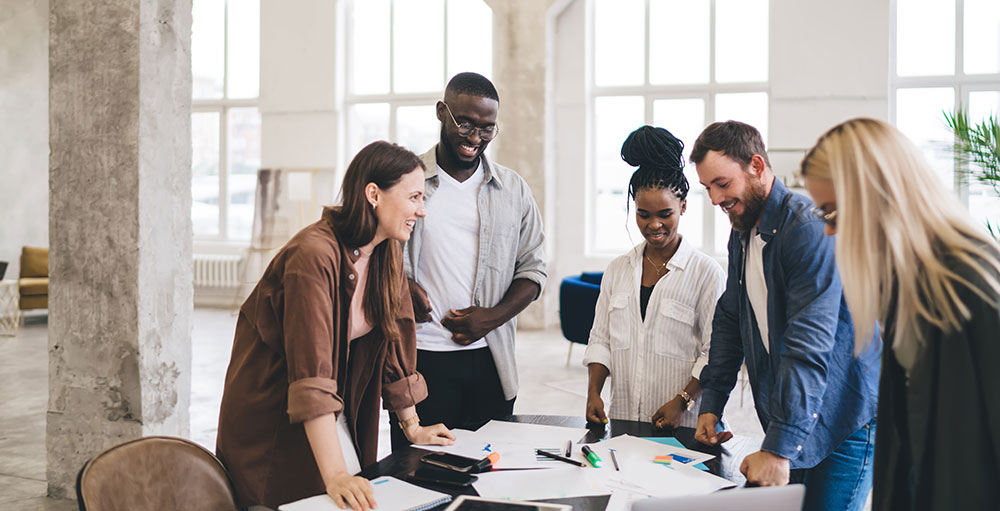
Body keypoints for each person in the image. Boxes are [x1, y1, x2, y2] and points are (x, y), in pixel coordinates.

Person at [216, 141, 455, 511]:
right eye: (414, 197)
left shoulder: (385, 247)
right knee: (308, 498)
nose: (421, 211)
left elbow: (394, 339)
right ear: (374, 194)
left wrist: (412, 427)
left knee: (356, 497)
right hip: (275, 412)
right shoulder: (312, 256)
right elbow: (310, 376)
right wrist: (336, 475)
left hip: (327, 406)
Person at [800, 117, 1000, 510]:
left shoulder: (966, 284)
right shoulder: (910, 287)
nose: (828, 233)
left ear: (876, 196)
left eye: (833, 214)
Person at [690, 121, 881, 511]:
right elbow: (730, 320)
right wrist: (713, 401)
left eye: (722, 184)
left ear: (757, 166)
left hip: (845, 417)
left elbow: (807, 344)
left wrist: (778, 448)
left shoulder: (806, 229)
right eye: (708, 188)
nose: (714, 199)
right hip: (796, 411)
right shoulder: (742, 232)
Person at [391, 72, 546, 450]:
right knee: (418, 476)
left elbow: (534, 270)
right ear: (442, 112)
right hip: (421, 357)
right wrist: (399, 287)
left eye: (487, 129)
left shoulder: (512, 189)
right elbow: (370, 254)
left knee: (490, 475)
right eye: (465, 124)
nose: (475, 138)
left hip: (490, 363)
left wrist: (491, 317)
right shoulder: (405, 181)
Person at [583, 125, 725, 430]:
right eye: (643, 214)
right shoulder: (618, 270)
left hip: (682, 425)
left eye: (665, 214)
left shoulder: (706, 273)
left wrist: (682, 401)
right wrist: (593, 392)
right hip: (623, 420)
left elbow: (717, 352)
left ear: (683, 207)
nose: (654, 225)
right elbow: (600, 339)